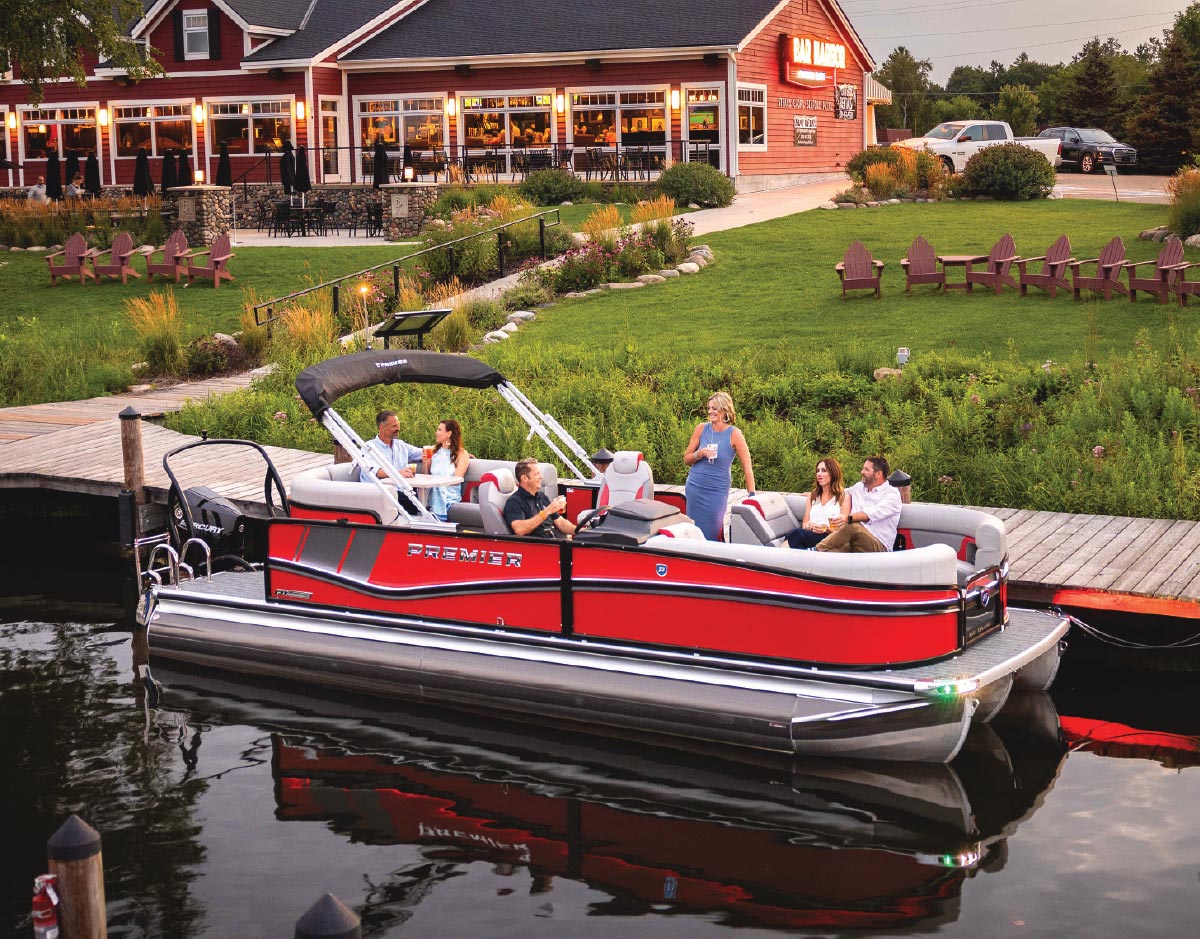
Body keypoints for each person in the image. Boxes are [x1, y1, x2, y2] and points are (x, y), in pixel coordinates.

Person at [683, 392, 755, 541]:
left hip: (716, 492)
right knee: (692, 534)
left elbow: (747, 468)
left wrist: (752, 495)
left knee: (710, 534)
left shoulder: (735, 434)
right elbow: (686, 459)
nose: (710, 412)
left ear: (724, 410)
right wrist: (700, 454)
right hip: (695, 488)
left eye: (714, 408)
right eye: (709, 408)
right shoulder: (701, 429)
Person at [815, 456, 902, 553]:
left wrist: (848, 518)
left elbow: (872, 513)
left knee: (852, 525)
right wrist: (812, 494)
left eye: (866, 469)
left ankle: (816, 550)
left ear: (878, 474)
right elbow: (838, 493)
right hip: (853, 542)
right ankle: (812, 557)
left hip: (878, 546)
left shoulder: (892, 495)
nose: (862, 472)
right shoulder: (859, 487)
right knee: (831, 552)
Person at [787, 458, 851, 549]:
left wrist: (824, 528)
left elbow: (844, 527)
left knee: (794, 534)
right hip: (811, 534)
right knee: (793, 534)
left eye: (823, 471)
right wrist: (811, 526)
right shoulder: (813, 496)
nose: (819, 474)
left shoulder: (844, 496)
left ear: (833, 473)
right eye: (818, 471)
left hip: (830, 537)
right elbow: (805, 524)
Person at [504, 458, 576, 539]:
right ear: (524, 478)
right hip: (541, 547)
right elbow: (520, 529)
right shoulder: (514, 502)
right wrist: (548, 510)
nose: (541, 477)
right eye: (537, 474)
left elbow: (560, 522)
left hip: (557, 543)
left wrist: (578, 530)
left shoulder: (542, 496)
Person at [359, 410, 421, 483]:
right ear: (382, 428)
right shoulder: (369, 447)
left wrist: (437, 447)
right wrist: (397, 474)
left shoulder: (400, 445)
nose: (398, 429)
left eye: (398, 425)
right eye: (394, 426)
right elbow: (373, 470)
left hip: (400, 489)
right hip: (379, 491)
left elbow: (421, 453)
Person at [425, 419, 469, 521]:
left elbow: (457, 480)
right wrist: (425, 461)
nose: (436, 432)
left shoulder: (461, 454)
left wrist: (437, 483)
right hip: (431, 496)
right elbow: (426, 475)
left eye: (440, 430)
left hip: (449, 497)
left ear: (449, 433)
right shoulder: (433, 451)